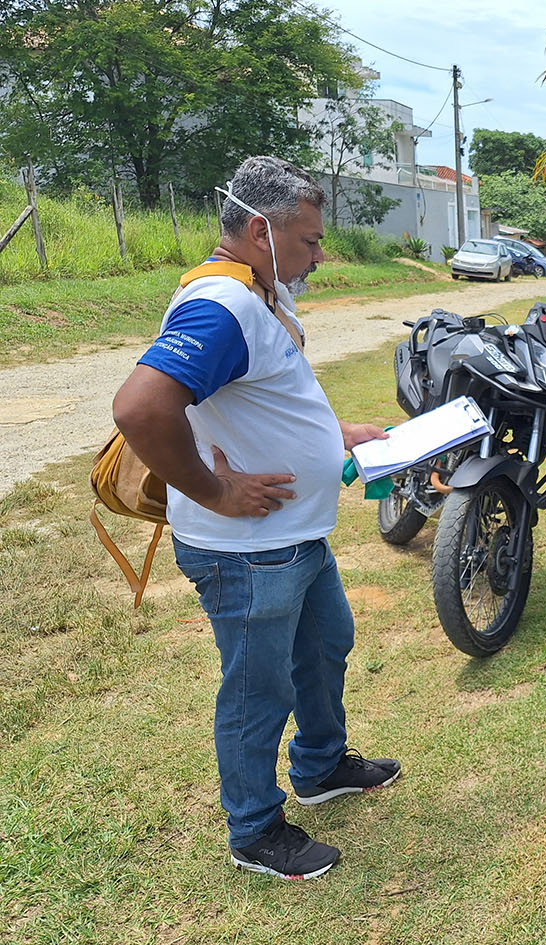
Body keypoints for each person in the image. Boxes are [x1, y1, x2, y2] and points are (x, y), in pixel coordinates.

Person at [112, 156, 400, 881]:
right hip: (247, 549)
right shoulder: (223, 303)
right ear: (258, 229)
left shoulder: (259, 291)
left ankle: (321, 764)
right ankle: (254, 828)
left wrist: (332, 433)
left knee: (325, 643)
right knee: (257, 687)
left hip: (292, 537)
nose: (319, 254)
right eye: (307, 240)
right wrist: (213, 490)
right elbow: (141, 407)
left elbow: (265, 395)